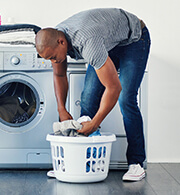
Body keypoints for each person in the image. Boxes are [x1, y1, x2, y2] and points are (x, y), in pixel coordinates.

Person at [35, 8, 150, 181]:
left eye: (52, 57)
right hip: (107, 42)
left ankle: (136, 163)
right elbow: (59, 74)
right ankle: (84, 161)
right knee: (88, 99)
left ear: (61, 43)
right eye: (48, 59)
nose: (53, 61)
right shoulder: (54, 39)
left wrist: (95, 123)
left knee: (126, 99)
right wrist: (61, 109)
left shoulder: (87, 42)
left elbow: (114, 88)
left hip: (133, 39)